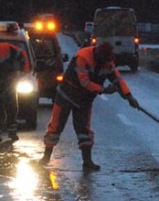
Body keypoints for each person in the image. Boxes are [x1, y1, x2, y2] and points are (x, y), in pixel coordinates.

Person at [38, 42, 139, 171]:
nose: (105, 64)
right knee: (56, 126)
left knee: (84, 130)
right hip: (66, 95)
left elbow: (117, 80)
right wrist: (103, 90)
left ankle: (87, 161)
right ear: (98, 55)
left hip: (84, 99)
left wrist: (128, 96)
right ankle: (46, 157)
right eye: (103, 61)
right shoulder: (83, 57)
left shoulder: (107, 62)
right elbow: (84, 82)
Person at [0, 41, 30, 143]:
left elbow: (23, 54)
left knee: (12, 106)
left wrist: (24, 71)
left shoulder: (6, 48)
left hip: (11, 81)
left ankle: (12, 132)